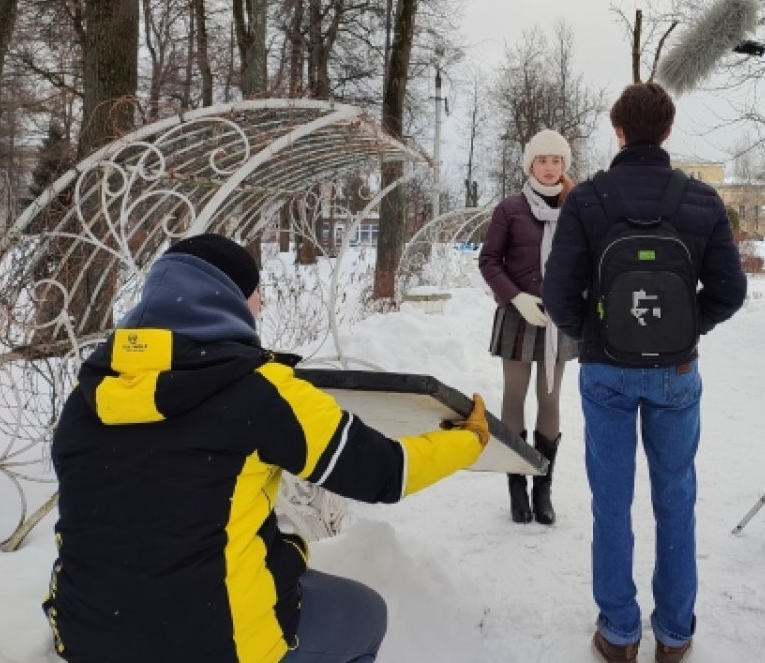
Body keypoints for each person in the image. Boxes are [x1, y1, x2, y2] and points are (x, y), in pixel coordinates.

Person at [42, 233, 490, 663]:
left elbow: (135, 514)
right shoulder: (258, 392)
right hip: (214, 645)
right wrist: (468, 441)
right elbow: (387, 473)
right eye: (258, 292)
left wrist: (286, 551)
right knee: (366, 613)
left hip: (85, 635)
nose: (262, 305)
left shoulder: (90, 396)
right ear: (230, 297)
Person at [542, 83, 747, 663]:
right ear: (668, 130)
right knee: (676, 497)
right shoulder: (701, 200)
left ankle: (619, 633)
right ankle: (676, 635)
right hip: (676, 373)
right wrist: (687, 330)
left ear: (619, 130)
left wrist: (594, 332)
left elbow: (557, 293)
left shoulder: (586, 200)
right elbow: (732, 291)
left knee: (611, 501)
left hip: (605, 369)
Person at [479, 128, 579, 525]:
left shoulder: (576, 208)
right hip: (518, 316)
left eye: (556, 161)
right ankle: (517, 485)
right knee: (515, 396)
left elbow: (583, 262)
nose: (550, 168)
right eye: (543, 160)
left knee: (550, 399)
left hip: (559, 320)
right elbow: (489, 260)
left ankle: (543, 485)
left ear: (564, 165)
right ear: (530, 164)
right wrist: (515, 296)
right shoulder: (510, 209)